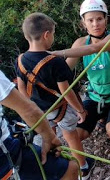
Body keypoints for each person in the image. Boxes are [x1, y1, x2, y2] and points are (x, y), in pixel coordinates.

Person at [16, 12, 93, 179]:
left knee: (48, 138)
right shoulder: (54, 62)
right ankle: (84, 168)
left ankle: (54, 167)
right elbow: (66, 91)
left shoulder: (20, 60)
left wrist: (33, 107)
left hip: (39, 110)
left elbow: (21, 89)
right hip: (60, 109)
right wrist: (80, 110)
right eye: (53, 34)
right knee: (70, 136)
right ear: (46, 35)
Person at [53, 0, 110, 144]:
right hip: (95, 97)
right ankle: (104, 116)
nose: (95, 24)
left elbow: (95, 48)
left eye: (99, 19)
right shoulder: (79, 43)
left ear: (106, 20)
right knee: (76, 135)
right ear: (83, 23)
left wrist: (55, 53)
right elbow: (65, 71)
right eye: (90, 20)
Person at [0, 69, 79, 180]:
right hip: (6, 155)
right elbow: (28, 109)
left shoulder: (21, 61)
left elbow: (23, 91)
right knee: (70, 170)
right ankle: (84, 168)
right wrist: (50, 138)